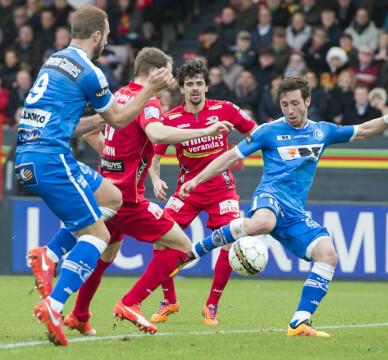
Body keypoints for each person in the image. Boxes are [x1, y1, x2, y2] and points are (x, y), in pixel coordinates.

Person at [173, 76, 388, 337]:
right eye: (285, 104)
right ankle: (196, 250)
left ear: (307, 101)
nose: (290, 110)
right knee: (263, 223)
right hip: (269, 198)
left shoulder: (322, 131)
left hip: (295, 214)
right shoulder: (268, 131)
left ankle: (300, 321)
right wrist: (196, 179)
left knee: (328, 254)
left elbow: (363, 130)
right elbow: (230, 157)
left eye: (295, 103)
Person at [32, 48, 233, 339]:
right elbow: (158, 135)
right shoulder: (148, 102)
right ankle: (131, 302)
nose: (174, 77)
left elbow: (92, 134)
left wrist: (117, 163)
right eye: (169, 69)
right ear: (155, 72)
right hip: (127, 198)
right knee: (181, 246)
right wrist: (207, 131)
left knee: (105, 254)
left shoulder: (121, 94)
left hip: (107, 189)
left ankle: (79, 315)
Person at [15, 6, 173, 346]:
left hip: (29, 154)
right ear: (98, 35)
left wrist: (102, 118)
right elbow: (118, 119)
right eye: (108, 33)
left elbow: (74, 124)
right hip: (51, 159)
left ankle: (51, 255)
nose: (108, 39)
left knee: (111, 197)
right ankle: (55, 305)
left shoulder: (54, 60)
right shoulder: (90, 71)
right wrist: (149, 90)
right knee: (99, 236)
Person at [149, 59, 257, 326]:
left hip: (222, 189)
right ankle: (169, 300)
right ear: (182, 89)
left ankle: (212, 305)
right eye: (189, 84)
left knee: (230, 242)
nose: (195, 88)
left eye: (199, 83)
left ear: (207, 86)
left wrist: (242, 153)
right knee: (160, 237)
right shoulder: (170, 119)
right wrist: (155, 179)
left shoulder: (225, 110)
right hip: (187, 190)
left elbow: (255, 132)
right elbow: (155, 158)